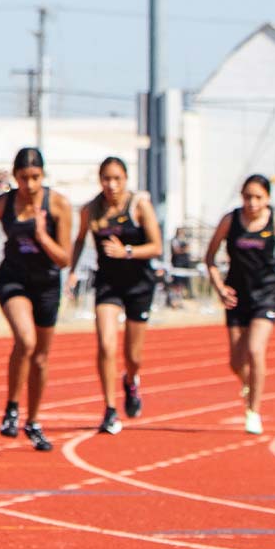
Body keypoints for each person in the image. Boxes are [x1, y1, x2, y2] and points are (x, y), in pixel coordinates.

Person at [0, 146, 73, 452]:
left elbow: (64, 259)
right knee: (25, 340)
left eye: (36, 177)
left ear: (43, 176)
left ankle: (33, 420)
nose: (30, 185)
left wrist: (42, 235)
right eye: (24, 178)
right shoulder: (3, 203)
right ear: (15, 177)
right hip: (13, 279)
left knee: (40, 358)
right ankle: (11, 407)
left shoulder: (59, 205)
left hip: (47, 284)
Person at [203, 172, 275, 435]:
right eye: (248, 197)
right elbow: (210, 257)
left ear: (268, 199)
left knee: (255, 350)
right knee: (236, 363)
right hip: (237, 295)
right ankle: (249, 384)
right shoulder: (230, 221)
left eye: (258, 197)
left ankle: (253, 411)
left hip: (266, 294)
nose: (252, 203)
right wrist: (219, 286)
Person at [70, 155, 163, 435]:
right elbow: (78, 240)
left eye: (117, 179)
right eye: (106, 179)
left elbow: (157, 246)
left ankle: (132, 379)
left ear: (126, 180)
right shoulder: (91, 209)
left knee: (133, 355)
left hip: (139, 284)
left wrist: (128, 252)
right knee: (106, 345)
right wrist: (72, 271)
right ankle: (109, 409)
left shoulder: (139, 206)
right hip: (108, 283)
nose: (111, 185)